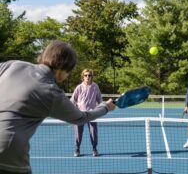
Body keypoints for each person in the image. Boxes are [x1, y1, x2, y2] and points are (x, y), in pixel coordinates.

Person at [0, 41, 116, 174]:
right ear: (61, 69)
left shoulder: (13, 65)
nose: (67, 76)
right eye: (69, 72)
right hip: (9, 154)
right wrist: (105, 107)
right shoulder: (52, 93)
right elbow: (81, 118)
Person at [71, 69, 103, 157]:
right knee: (78, 133)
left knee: (93, 133)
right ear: (82, 77)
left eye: (89, 75)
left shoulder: (95, 86)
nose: (87, 77)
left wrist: (102, 107)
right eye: (86, 75)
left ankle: (94, 149)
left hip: (92, 114)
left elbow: (99, 99)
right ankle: (77, 149)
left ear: (92, 77)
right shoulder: (79, 87)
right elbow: (73, 100)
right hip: (80, 114)